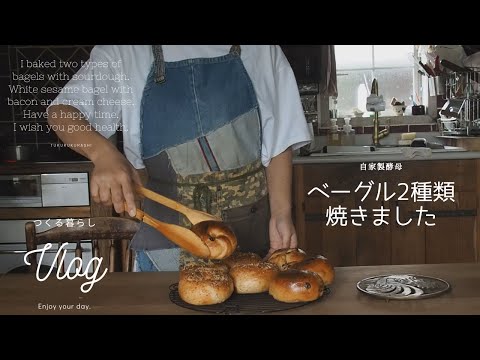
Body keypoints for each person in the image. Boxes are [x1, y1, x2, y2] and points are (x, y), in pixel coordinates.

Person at [47, 45, 312, 271]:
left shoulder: (261, 49)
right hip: (166, 242)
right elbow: (61, 111)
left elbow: (281, 138)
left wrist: (281, 213)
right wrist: (103, 154)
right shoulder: (125, 50)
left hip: (250, 238)